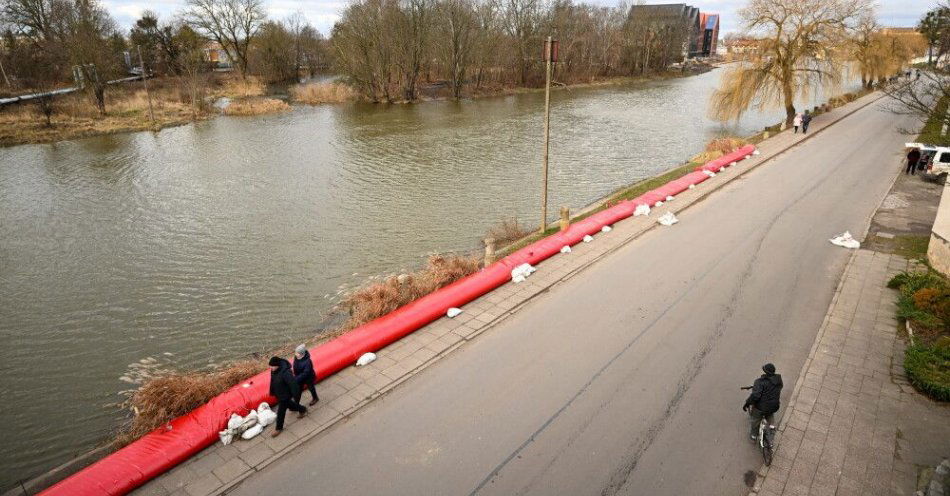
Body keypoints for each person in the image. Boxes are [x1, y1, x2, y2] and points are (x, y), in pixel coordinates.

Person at [268, 356, 307, 437]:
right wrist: (272, 391)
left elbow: (293, 385)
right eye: (270, 366)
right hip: (279, 393)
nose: (270, 368)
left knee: (280, 412)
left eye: (272, 366)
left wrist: (296, 395)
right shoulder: (273, 370)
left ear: (277, 365)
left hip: (285, 395)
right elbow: (272, 381)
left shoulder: (286, 373)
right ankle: (302, 409)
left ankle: (278, 428)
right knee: (290, 404)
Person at [743, 363, 783, 441]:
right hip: (775, 406)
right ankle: (771, 426)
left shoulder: (759, 382)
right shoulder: (779, 381)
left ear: (765, 372)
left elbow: (755, 396)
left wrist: (747, 403)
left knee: (755, 419)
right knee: (769, 412)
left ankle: (754, 435)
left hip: (761, 408)